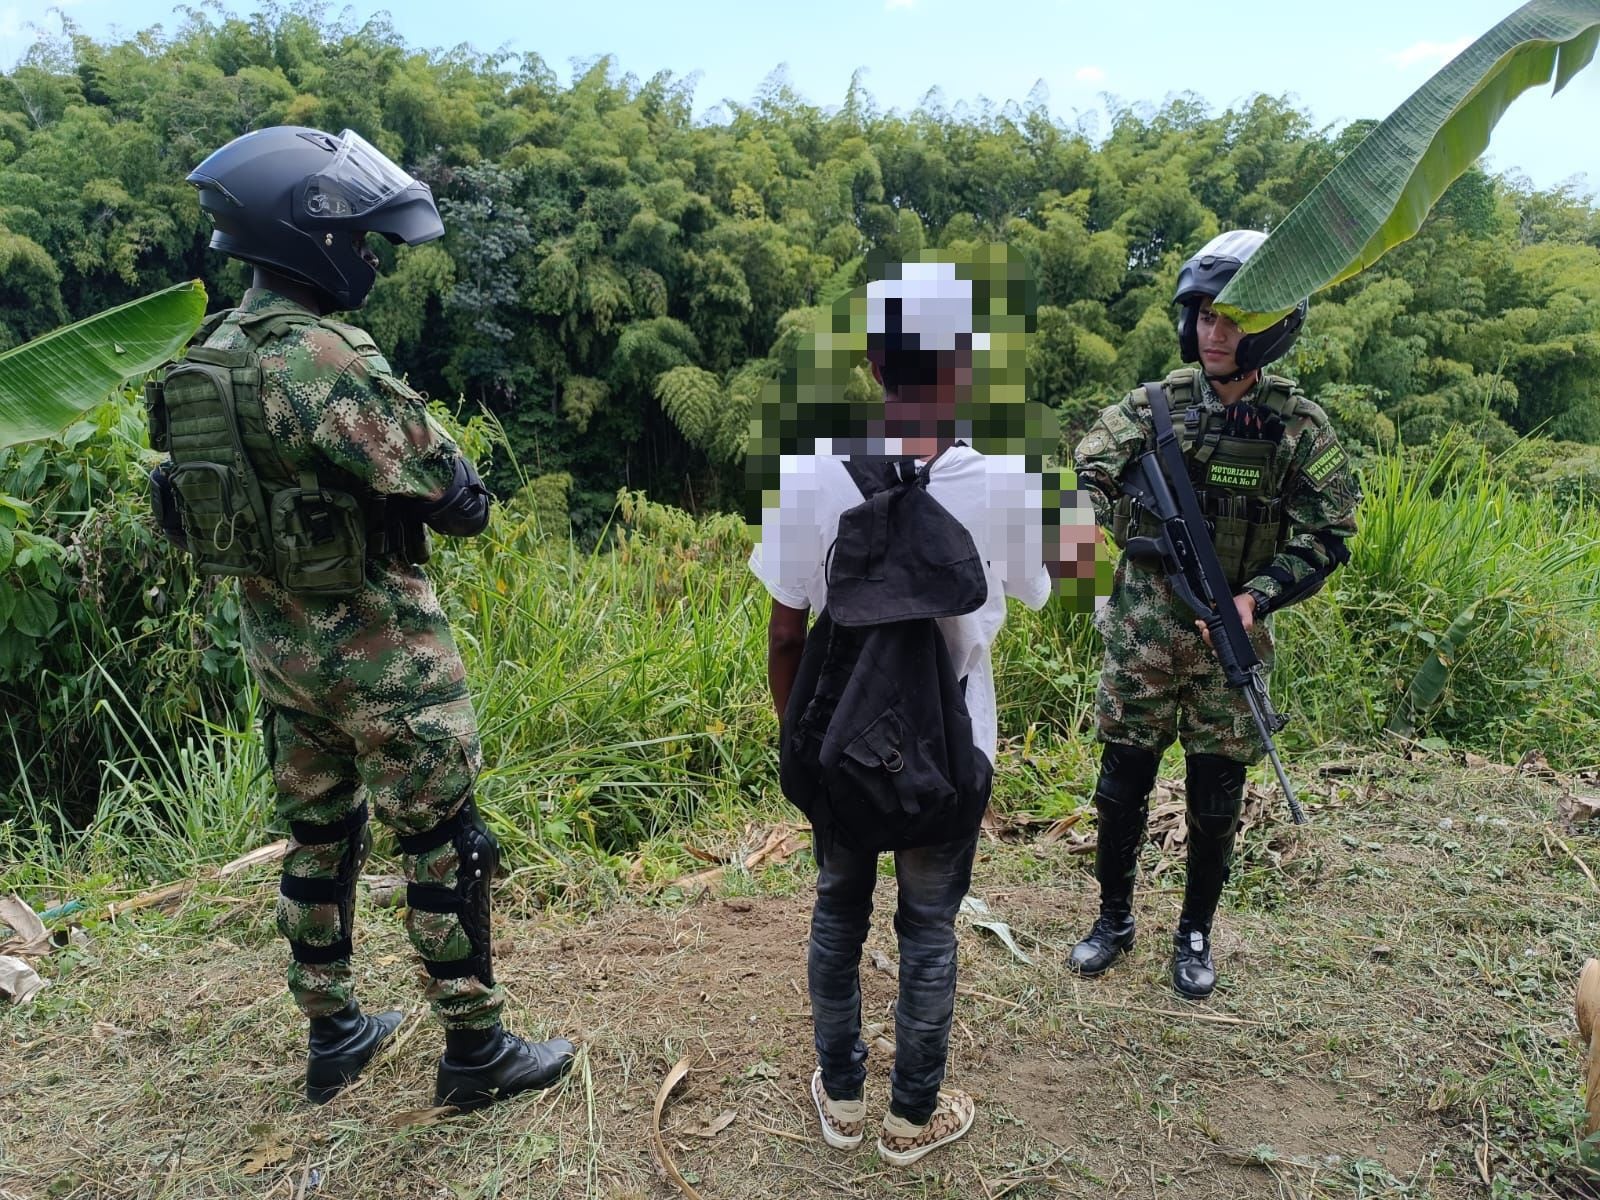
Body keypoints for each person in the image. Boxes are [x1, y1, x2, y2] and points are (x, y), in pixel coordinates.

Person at [156, 126, 575, 1107]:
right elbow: (459, 500)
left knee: (318, 836)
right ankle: (475, 1051)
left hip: (278, 649)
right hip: (384, 654)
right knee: (443, 843)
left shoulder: (208, 355)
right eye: (355, 240)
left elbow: (188, 510)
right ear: (305, 237)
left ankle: (332, 1030)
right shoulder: (325, 359)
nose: (367, 259)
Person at [750, 260, 1085, 1165]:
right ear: (965, 367)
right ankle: (911, 1119)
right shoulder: (1005, 481)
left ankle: (844, 1098)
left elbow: (785, 633)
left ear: (871, 360)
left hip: (840, 748)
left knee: (837, 913)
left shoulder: (812, 473)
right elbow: (1038, 590)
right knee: (930, 926)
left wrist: (803, 747)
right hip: (954, 750)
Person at [1068, 229, 1361, 1000]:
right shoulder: (1154, 406)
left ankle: (1194, 931)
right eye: (1202, 315)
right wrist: (1110, 515)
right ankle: (1113, 919)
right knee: (1122, 781)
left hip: (1230, 636)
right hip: (1144, 631)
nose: (1213, 332)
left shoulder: (1300, 426)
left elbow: (1330, 533)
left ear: (1272, 324)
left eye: (1230, 318)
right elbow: (1089, 467)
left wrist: (1255, 596)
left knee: (1215, 794)